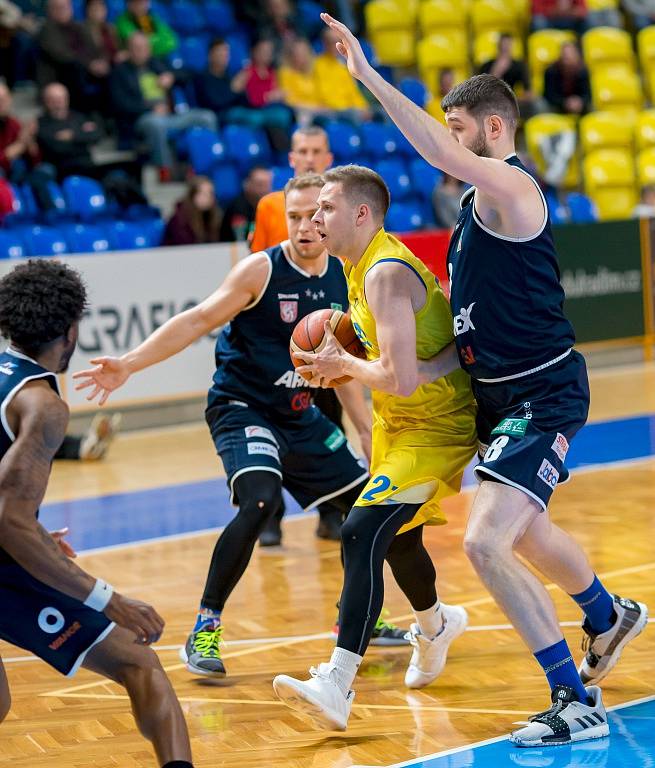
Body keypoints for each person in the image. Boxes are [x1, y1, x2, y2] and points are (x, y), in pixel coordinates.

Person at [320, 12, 648, 746]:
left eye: (457, 128)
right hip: (493, 394)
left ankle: (572, 699)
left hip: (541, 393)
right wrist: (370, 370)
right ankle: (605, 616)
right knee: (523, 532)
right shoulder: (474, 211)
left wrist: (369, 77)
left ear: (493, 131)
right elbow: (459, 341)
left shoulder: (511, 192)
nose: (447, 142)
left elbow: (435, 147)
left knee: (483, 542)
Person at [73, 174, 399, 679]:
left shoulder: (344, 277)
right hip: (241, 406)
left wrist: (363, 428)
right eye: (293, 216)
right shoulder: (260, 272)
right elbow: (197, 320)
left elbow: (341, 368)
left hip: (300, 413)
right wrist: (129, 365)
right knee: (260, 500)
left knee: (368, 512)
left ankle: (357, 619)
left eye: (314, 215)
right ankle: (205, 626)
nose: (304, 226)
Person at [272, 165, 477, 731]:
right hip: (400, 422)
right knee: (397, 537)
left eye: (327, 209)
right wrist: (338, 366)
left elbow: (401, 376)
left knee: (362, 530)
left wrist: (345, 367)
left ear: (362, 214)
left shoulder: (384, 272)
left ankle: (337, 682)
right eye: (312, 211)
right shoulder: (356, 266)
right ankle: (436, 625)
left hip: (435, 425)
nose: (315, 219)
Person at [0, 258, 194, 768]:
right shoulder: (41, 404)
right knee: (138, 658)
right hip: (6, 559)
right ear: (70, 332)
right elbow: (8, 520)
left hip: (8, 562)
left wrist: (35, 534)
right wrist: (109, 600)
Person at [250, 125, 343, 546]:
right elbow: (258, 264)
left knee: (329, 413)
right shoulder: (271, 206)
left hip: (329, 328)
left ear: (328, 158)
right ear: (291, 158)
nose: (308, 157)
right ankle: (270, 515)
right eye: (301, 151)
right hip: (282, 331)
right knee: (276, 420)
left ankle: (332, 509)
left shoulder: (346, 202)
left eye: (315, 151)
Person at [109, 32, 216, 181]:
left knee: (207, 117)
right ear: (128, 50)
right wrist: (149, 109)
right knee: (155, 124)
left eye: (144, 48)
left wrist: (171, 77)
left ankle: (206, 165)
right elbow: (120, 104)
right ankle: (166, 171)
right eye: (136, 48)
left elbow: (189, 73)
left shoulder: (157, 64)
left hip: (171, 115)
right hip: (142, 118)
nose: (140, 52)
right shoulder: (120, 72)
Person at [36, 0, 110, 112]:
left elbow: (96, 49)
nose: (63, 10)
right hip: (60, 76)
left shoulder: (79, 26)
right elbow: (61, 55)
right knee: (75, 68)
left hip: (86, 71)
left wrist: (102, 62)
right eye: (58, 7)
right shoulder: (47, 30)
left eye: (65, 7)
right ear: (50, 11)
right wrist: (90, 65)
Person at [36, 81, 103, 180]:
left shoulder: (79, 117)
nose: (58, 103)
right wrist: (82, 136)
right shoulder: (40, 123)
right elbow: (55, 147)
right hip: (61, 169)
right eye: (53, 100)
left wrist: (72, 136)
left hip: (87, 167)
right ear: (45, 101)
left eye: (61, 98)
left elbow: (97, 135)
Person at [314, 25, 370, 122]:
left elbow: (353, 90)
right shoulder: (318, 64)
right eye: (332, 42)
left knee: (382, 112)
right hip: (335, 110)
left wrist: (363, 106)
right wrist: (351, 109)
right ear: (325, 44)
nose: (336, 45)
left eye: (338, 41)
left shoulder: (344, 63)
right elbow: (324, 93)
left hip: (351, 109)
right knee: (355, 116)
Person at [478, 33, 535, 118]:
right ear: (498, 46)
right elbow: (480, 92)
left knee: (534, 105)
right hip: (489, 102)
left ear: (512, 47)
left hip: (512, 104)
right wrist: (496, 72)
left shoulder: (519, 66)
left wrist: (510, 100)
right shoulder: (486, 66)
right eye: (503, 45)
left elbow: (529, 93)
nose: (505, 48)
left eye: (508, 45)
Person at [163, 175, 223, 247]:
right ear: (192, 195)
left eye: (211, 193)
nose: (208, 197)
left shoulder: (214, 218)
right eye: (203, 194)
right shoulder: (179, 220)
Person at [219, 164, 272, 242]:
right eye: (260, 185)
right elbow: (241, 239)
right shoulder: (238, 207)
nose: (264, 190)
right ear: (248, 185)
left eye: (267, 185)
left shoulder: (270, 205)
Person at [544, 41, 591, 116]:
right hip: (558, 105)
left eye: (569, 56)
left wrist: (580, 101)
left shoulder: (583, 71)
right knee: (544, 107)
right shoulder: (551, 71)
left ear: (576, 56)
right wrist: (565, 103)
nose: (567, 59)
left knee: (591, 108)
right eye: (564, 56)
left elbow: (588, 95)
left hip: (578, 105)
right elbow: (549, 95)